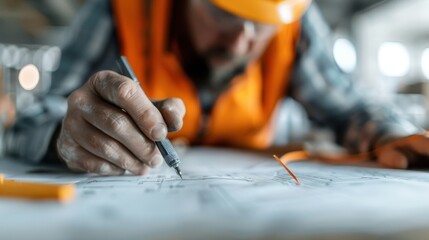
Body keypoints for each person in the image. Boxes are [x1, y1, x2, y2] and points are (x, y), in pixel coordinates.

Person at [4, 0, 429, 175]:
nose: (243, 41)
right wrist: (66, 135)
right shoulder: (120, 11)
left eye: (260, 27)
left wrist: (391, 136)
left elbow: (350, 110)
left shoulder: (294, 22)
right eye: (225, 16)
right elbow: (30, 121)